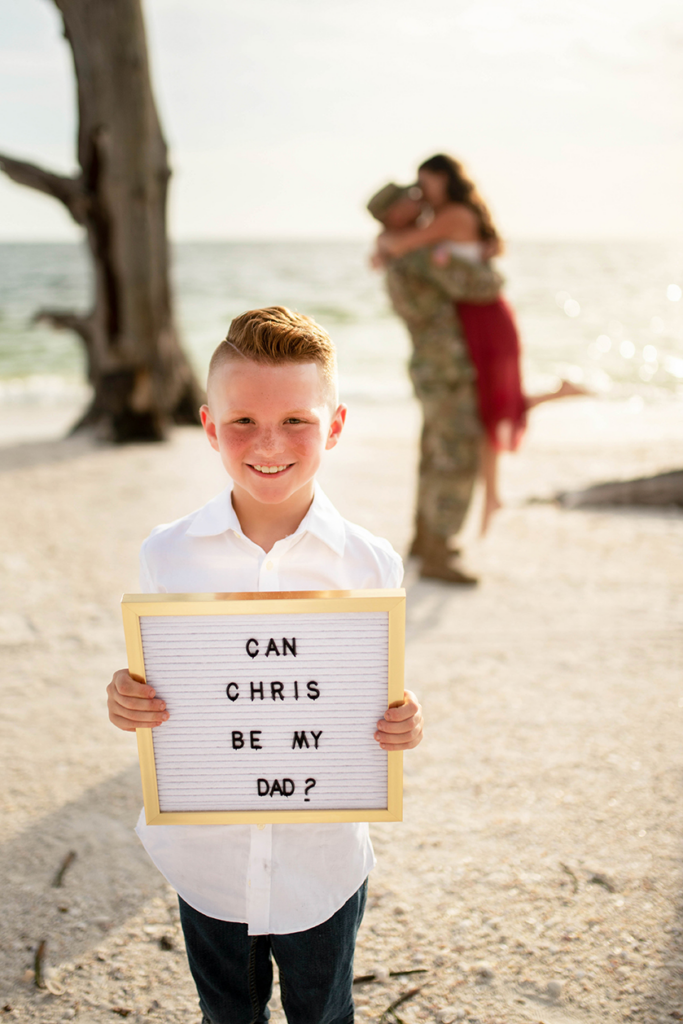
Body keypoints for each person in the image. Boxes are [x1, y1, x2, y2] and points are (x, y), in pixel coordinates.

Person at [106, 306, 424, 1024]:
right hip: (207, 862)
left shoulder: (369, 562)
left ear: (334, 426)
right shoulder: (168, 554)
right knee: (227, 1014)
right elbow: (154, 678)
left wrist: (403, 719)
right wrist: (126, 697)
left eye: (297, 421)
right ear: (209, 426)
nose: (268, 443)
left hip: (322, 866)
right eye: (243, 421)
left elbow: (377, 690)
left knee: (324, 1011)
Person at [378, 154, 587, 534]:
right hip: (471, 327)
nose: (420, 194)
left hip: (479, 323)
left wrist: (386, 243)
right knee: (481, 416)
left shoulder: (445, 222)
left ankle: (488, 498)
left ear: (445, 179)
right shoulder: (432, 237)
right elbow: (480, 276)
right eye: (413, 191)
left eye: (424, 185)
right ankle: (482, 504)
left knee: (487, 409)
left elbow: (413, 249)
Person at [367, 182, 504, 580]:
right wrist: (482, 257)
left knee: (434, 454)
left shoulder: (399, 252)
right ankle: (439, 554)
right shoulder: (421, 254)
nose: (418, 200)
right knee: (456, 457)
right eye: (407, 198)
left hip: (431, 368)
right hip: (448, 370)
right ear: (394, 215)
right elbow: (484, 286)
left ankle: (426, 540)